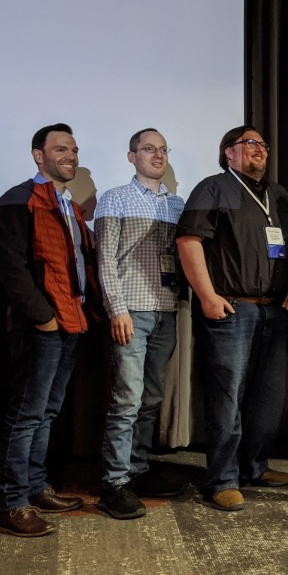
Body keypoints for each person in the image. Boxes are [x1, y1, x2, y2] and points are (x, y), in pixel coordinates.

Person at [175, 125, 288, 511]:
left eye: (263, 144)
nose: (259, 149)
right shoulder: (213, 188)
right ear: (228, 152)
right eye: (249, 143)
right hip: (232, 309)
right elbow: (188, 241)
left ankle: (254, 466)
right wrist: (207, 296)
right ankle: (223, 478)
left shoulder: (278, 195)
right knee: (227, 397)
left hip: (273, 310)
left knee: (266, 397)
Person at [0, 123, 101, 537]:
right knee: (26, 414)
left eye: (74, 149)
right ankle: (13, 504)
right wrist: (43, 317)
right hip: (42, 325)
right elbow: (11, 270)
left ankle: (35, 488)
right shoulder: (16, 202)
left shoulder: (69, 205)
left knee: (47, 412)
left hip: (72, 319)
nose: (71, 156)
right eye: (61, 149)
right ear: (39, 156)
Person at [94, 128, 186, 519]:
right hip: (131, 310)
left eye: (163, 149)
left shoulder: (178, 204)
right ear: (132, 156)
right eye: (149, 149)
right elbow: (104, 260)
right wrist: (116, 309)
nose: (158, 155)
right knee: (127, 400)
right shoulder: (114, 198)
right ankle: (114, 482)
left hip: (167, 311)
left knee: (150, 399)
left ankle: (137, 469)